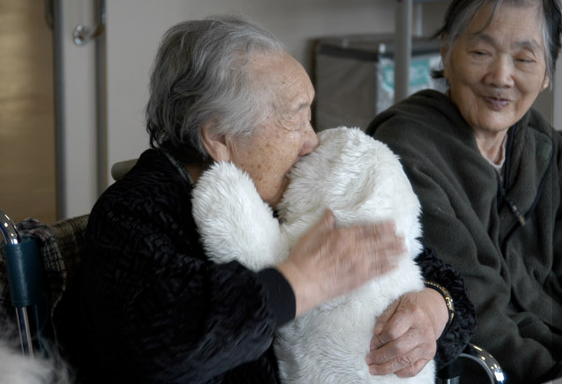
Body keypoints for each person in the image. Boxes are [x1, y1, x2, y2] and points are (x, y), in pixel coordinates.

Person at [55, 16, 474, 384]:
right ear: (218, 138)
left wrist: (435, 308)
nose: (312, 140)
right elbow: (155, 349)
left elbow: (437, 274)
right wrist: (300, 282)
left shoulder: (286, 185)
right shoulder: (133, 214)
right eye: (296, 118)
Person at [367, 0, 562, 383]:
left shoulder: (543, 145)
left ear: (547, 75)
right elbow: (474, 304)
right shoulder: (407, 148)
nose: (501, 76)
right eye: (481, 52)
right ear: (445, 50)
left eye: (524, 59)